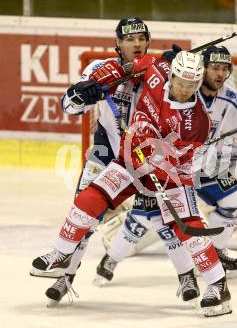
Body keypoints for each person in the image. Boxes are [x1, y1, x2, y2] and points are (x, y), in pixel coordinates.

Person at [31, 48, 237, 316]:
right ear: (171, 74)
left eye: (192, 84)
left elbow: (182, 165)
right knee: (90, 198)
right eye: (181, 82)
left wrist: (157, 161)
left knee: (189, 229)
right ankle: (60, 252)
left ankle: (218, 285)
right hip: (127, 161)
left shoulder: (198, 122)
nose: (185, 89)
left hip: (167, 175)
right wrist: (95, 83)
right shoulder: (155, 70)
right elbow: (122, 71)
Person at [94, 45, 237, 285]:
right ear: (202, 70)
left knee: (234, 199)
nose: (220, 74)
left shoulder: (232, 98)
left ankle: (215, 252)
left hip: (204, 165)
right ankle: (111, 258)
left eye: (225, 69)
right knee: (146, 215)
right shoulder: (180, 88)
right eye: (214, 68)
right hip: (166, 164)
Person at [29, 16, 157, 295]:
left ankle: (198, 276)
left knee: (158, 218)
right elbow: (68, 106)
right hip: (106, 154)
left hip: (146, 160)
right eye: (129, 39)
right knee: (84, 218)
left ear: (148, 42)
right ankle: (66, 278)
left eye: (141, 39)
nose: (136, 44)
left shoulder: (158, 71)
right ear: (118, 43)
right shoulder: (99, 69)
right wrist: (81, 94)